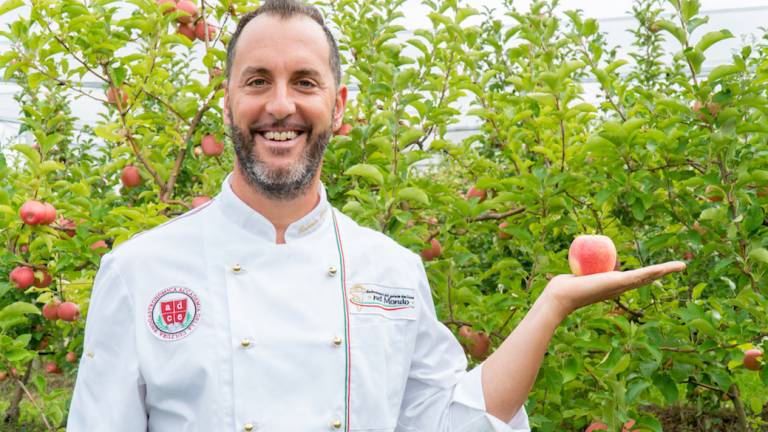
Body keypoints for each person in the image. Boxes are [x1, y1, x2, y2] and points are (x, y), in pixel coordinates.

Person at [66, 0, 686, 430]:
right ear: (228, 100)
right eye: (258, 81)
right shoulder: (139, 270)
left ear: (338, 105)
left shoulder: (389, 268)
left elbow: (451, 422)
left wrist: (551, 304)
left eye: (304, 82)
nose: (280, 104)